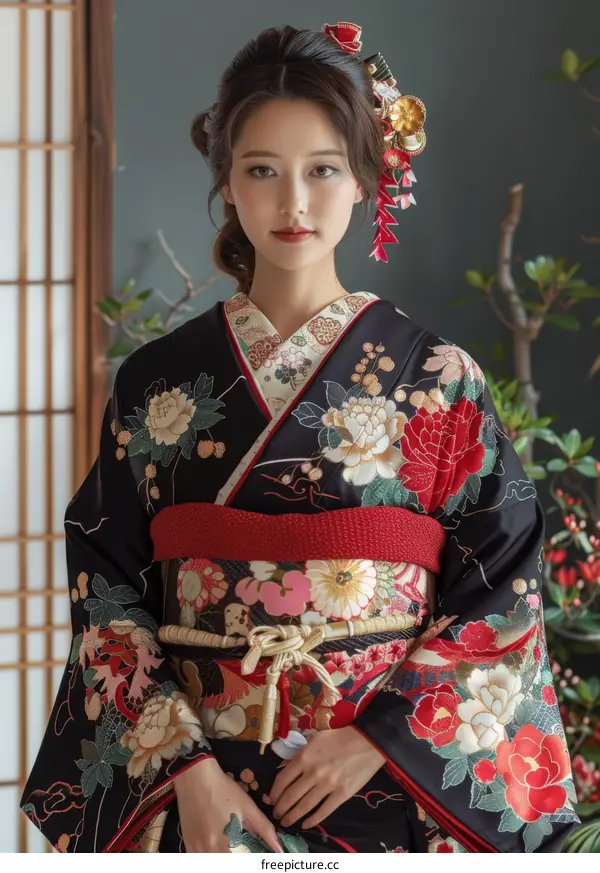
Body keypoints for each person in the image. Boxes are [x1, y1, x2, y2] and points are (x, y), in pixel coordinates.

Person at [21, 21, 580, 854]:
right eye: (262, 172)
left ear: (365, 179)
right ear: (227, 183)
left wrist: (379, 739)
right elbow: (108, 590)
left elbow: (503, 588)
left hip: (384, 780)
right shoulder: (156, 386)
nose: (293, 203)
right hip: (203, 789)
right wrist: (187, 770)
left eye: (322, 170)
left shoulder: (439, 379)